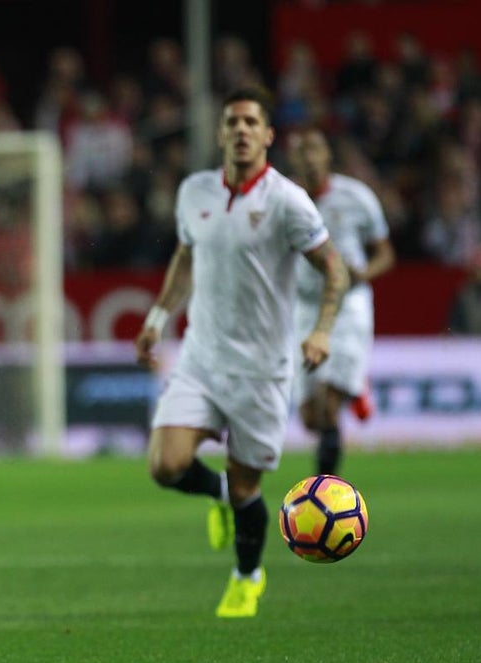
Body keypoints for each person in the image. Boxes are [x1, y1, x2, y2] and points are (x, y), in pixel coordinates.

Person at [134, 86, 349, 619]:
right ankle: (221, 493)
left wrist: (322, 330)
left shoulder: (288, 201)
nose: (242, 130)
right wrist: (158, 318)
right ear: (221, 133)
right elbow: (186, 257)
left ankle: (246, 576)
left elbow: (335, 269)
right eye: (233, 122)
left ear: (268, 135)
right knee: (165, 464)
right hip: (201, 358)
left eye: (252, 122)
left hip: (262, 369)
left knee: (250, 484)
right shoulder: (195, 192)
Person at [286, 127, 395, 475]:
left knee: (328, 407)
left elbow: (385, 253)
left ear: (327, 156)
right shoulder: (284, 200)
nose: (310, 158)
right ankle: (357, 385)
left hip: (349, 305)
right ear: (294, 160)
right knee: (310, 417)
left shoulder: (356, 196)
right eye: (302, 152)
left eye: (315, 149)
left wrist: (363, 272)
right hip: (304, 307)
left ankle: (325, 492)